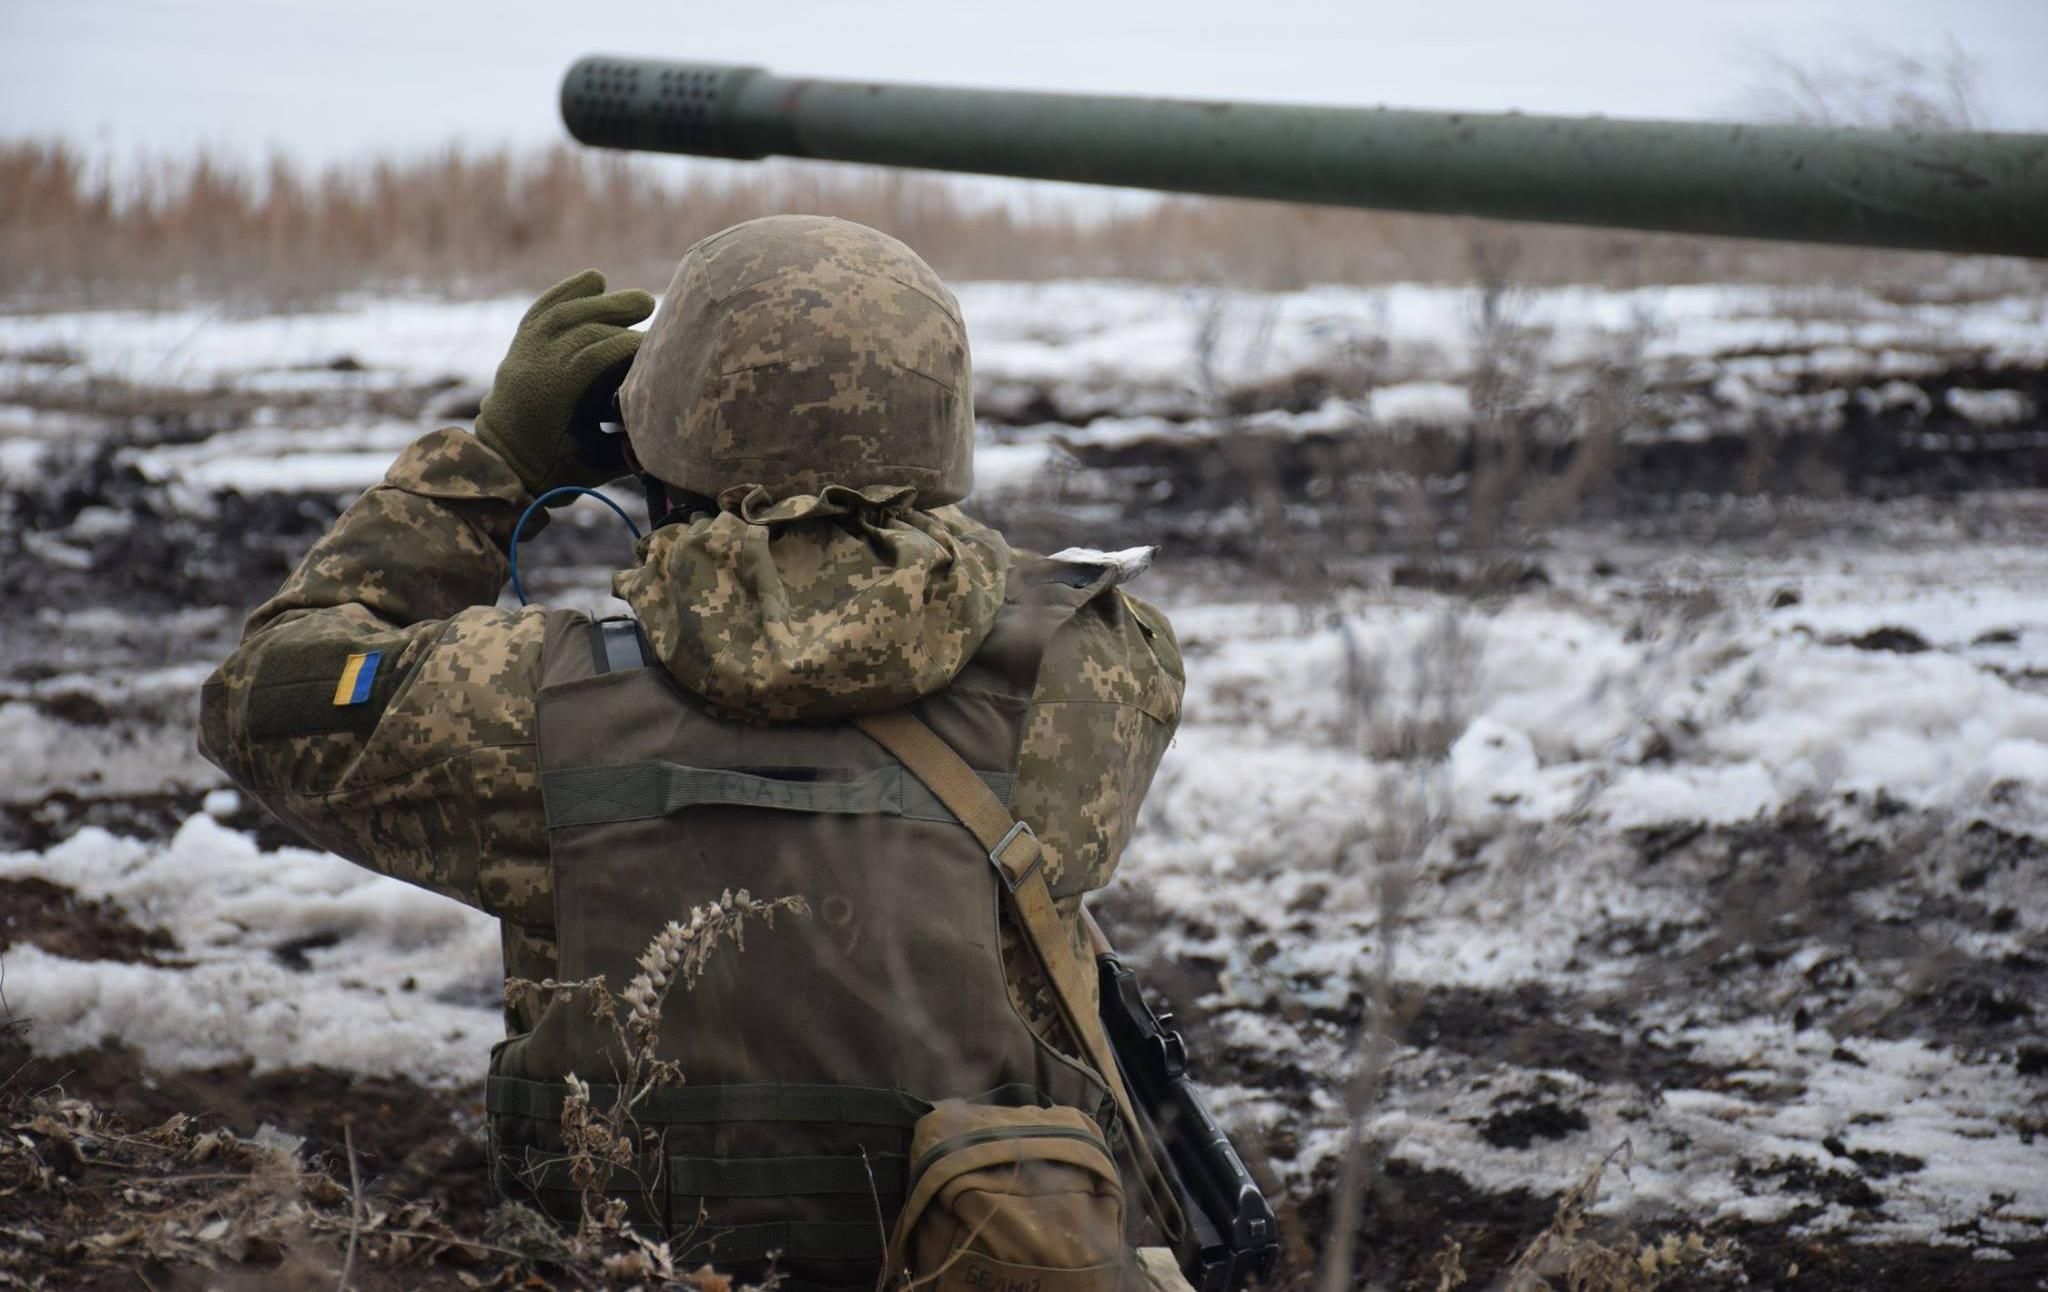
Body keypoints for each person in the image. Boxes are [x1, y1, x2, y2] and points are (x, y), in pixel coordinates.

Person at [198, 215, 1189, 1289]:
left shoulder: (527, 702)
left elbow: (261, 698)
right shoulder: (1095, 669)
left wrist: (488, 459)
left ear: (661, 438)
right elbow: (955, 570)